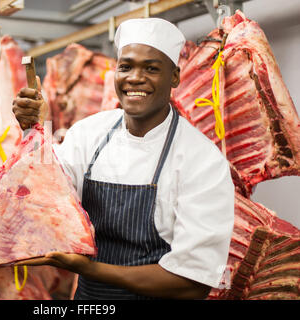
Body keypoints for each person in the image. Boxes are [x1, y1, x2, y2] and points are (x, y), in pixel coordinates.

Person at [12, 18, 235, 300]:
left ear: (175, 77)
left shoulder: (201, 161)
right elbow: (47, 194)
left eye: (151, 68)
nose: (135, 78)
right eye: (126, 66)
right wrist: (34, 129)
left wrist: (92, 269)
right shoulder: (88, 133)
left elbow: (192, 283)